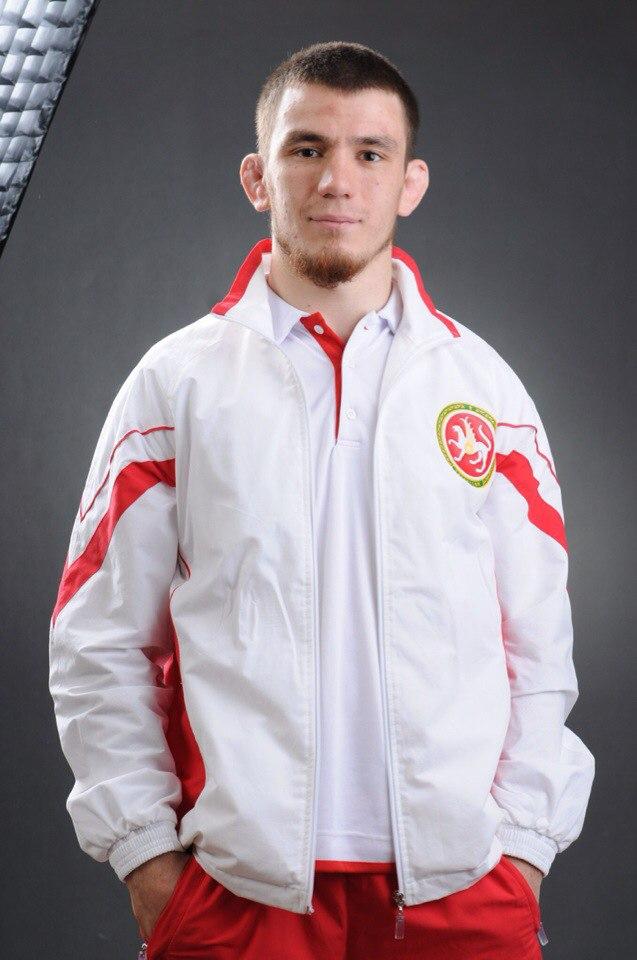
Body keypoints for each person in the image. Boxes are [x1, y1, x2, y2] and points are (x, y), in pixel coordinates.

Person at [49, 40, 595, 960]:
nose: (337, 179)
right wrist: (144, 856)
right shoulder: (176, 383)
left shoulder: (485, 390)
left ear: (409, 183)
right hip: (236, 892)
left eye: (368, 153)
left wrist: (525, 850)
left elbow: (537, 645)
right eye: (306, 149)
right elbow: (97, 640)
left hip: (462, 891)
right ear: (257, 176)